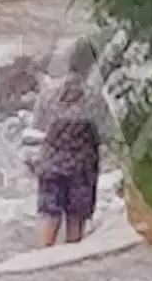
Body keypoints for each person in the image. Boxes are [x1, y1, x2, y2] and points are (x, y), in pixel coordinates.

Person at [28, 40, 103, 248]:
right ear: (92, 66)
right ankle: (67, 260)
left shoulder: (49, 92)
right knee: (75, 219)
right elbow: (104, 133)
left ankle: (42, 259)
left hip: (50, 162)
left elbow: (37, 128)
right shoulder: (94, 97)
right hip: (82, 168)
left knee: (48, 214)